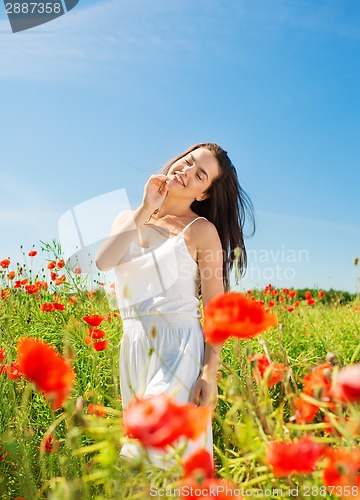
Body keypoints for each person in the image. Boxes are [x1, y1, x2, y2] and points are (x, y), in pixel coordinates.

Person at [95, 143, 255, 468]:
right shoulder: (129, 218)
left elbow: (215, 311)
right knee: (152, 468)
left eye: (200, 175)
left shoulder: (202, 231)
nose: (187, 172)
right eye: (188, 161)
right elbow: (103, 261)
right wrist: (145, 208)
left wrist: (209, 373)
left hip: (179, 348)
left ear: (204, 194)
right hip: (135, 347)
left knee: (145, 450)